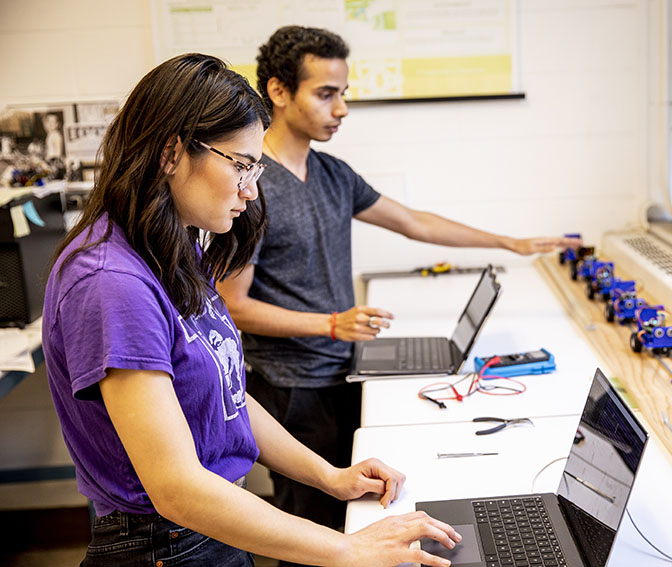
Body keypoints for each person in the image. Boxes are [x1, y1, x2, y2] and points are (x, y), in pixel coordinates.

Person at [42, 53, 460, 567]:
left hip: (209, 528)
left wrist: (329, 476)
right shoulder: (111, 281)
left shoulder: (171, 249)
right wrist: (346, 549)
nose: (251, 189)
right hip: (166, 543)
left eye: (255, 167)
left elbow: (228, 396)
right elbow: (176, 488)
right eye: (240, 165)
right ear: (172, 151)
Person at [216, 25, 581, 540]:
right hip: (292, 387)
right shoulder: (253, 187)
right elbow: (233, 306)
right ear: (278, 91)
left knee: (349, 512)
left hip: (340, 370)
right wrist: (332, 324)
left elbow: (415, 222)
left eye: (343, 93)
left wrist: (510, 242)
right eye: (326, 94)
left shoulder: (334, 174)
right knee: (309, 525)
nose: (341, 108)